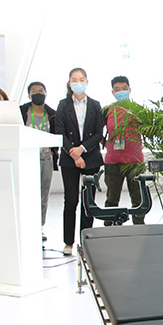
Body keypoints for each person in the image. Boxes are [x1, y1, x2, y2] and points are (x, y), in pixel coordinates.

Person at [55, 68, 104, 256]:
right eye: (74, 79)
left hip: (91, 157)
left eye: (81, 79)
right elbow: (60, 133)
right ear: (69, 83)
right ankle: (68, 242)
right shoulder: (63, 105)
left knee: (88, 200)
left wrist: (82, 150)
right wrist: (75, 155)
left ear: (87, 82)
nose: (78, 82)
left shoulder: (95, 105)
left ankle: (86, 239)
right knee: (71, 200)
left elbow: (99, 133)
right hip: (69, 158)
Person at [103, 76, 145, 225]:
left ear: (130, 89)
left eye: (124, 88)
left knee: (138, 198)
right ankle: (109, 227)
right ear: (112, 92)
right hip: (113, 161)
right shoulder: (107, 110)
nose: (121, 91)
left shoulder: (138, 109)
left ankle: (139, 226)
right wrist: (106, 144)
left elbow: (148, 130)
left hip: (134, 161)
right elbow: (96, 131)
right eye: (117, 89)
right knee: (112, 198)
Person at [20, 82, 58, 241]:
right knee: (26, 193)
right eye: (34, 91)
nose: (38, 93)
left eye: (41, 91)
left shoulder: (52, 113)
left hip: (46, 158)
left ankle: (39, 227)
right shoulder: (22, 111)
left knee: (43, 194)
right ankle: (25, 225)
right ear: (29, 95)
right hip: (26, 158)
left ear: (46, 94)